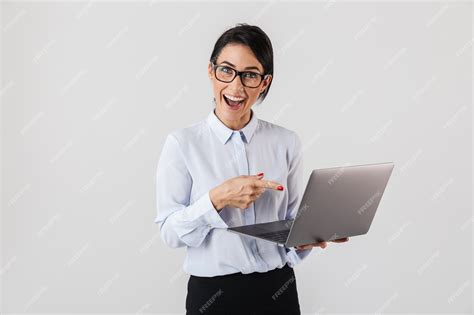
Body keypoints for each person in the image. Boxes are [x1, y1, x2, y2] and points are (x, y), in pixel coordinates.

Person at [155, 23, 349, 315]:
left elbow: (292, 224)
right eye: (226, 70)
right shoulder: (183, 144)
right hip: (213, 296)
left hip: (278, 290)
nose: (235, 87)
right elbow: (170, 233)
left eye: (249, 75)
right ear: (211, 71)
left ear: (264, 82)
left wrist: (308, 237)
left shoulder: (286, 142)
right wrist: (216, 199)